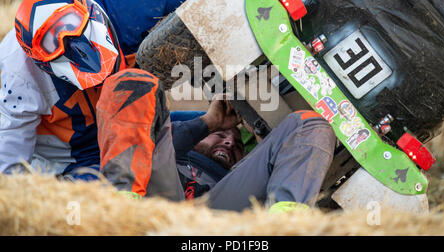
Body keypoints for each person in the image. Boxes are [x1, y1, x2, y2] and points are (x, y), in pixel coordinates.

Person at [0, 0, 289, 179]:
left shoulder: (123, 12)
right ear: (42, 64)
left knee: (226, 124)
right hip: (76, 161)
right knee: (108, 196)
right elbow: (10, 180)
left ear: (95, 15)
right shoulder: (15, 82)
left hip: (130, 119)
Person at [96, 68, 336, 211]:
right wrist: (209, 122)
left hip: (217, 213)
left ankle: (283, 229)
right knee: (135, 81)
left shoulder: (235, 174)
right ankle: (122, 208)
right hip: (153, 203)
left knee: (311, 124)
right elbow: (162, 139)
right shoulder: (176, 147)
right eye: (220, 137)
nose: (230, 142)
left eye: (238, 145)